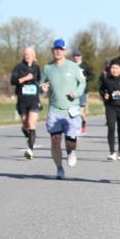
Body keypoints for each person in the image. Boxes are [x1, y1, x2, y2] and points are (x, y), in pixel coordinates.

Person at [40, 39, 86, 179]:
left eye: (61, 49)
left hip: (71, 109)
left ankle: (71, 152)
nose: (58, 51)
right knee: (55, 139)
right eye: (56, 49)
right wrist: (43, 88)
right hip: (54, 109)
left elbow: (82, 82)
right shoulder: (47, 68)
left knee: (70, 141)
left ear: (64, 51)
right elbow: (43, 84)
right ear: (52, 50)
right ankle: (59, 168)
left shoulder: (73, 67)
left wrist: (76, 93)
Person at [10, 45, 42, 158]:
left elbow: (39, 82)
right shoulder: (18, 67)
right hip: (22, 100)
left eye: (29, 55)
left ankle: (30, 150)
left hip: (33, 100)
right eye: (25, 55)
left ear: (34, 56)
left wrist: (42, 88)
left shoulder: (37, 68)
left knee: (32, 124)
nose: (27, 56)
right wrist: (24, 79)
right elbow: (13, 81)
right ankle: (25, 131)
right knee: (26, 124)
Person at [72, 50, 94, 135]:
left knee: (80, 111)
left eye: (78, 56)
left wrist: (85, 77)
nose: (76, 57)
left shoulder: (85, 66)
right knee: (72, 110)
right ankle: (74, 126)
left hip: (83, 91)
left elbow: (92, 76)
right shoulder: (70, 65)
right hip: (72, 91)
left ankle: (83, 123)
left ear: (81, 57)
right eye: (75, 56)